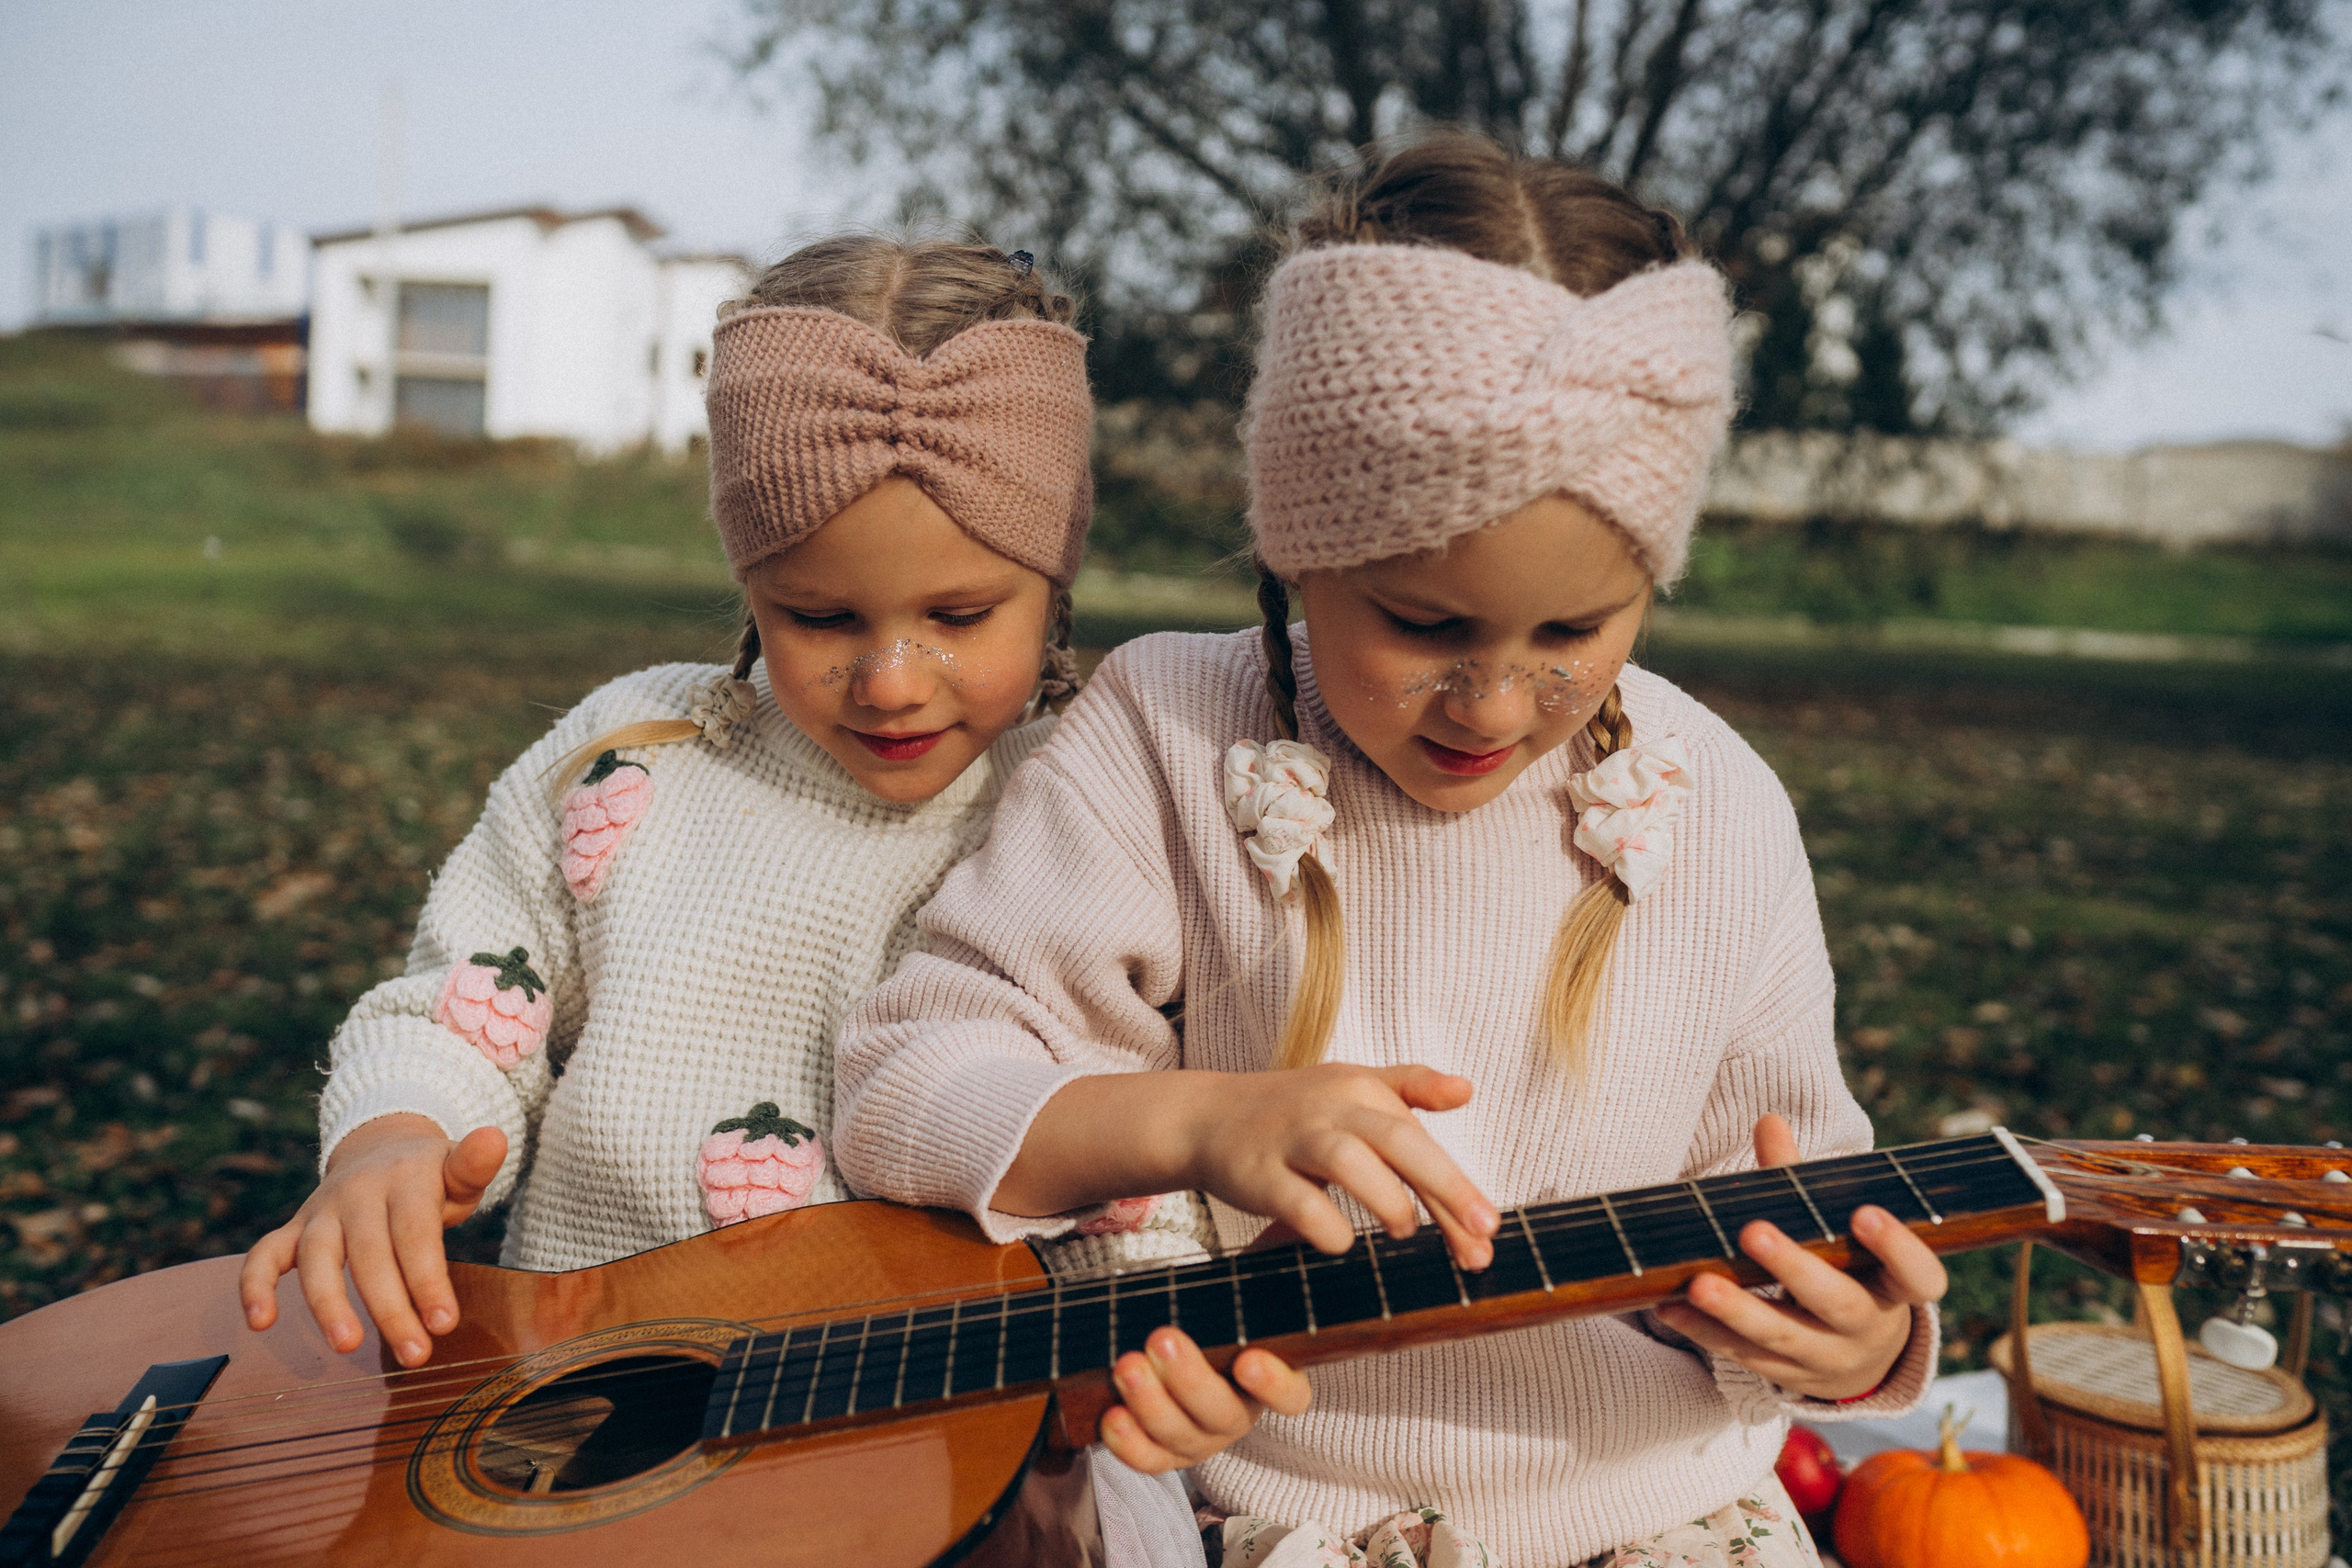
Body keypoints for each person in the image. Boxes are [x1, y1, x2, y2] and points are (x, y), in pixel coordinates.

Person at [833, 134, 1949, 1568]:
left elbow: (1806, 1204)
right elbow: (908, 1086)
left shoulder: (1716, 801)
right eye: (1423, 625)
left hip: (1663, 1511)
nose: (1495, 704)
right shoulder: (1170, 731)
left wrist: (1853, 1341)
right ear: (1298, 547)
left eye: (1574, 634)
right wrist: (1201, 1125)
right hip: (1282, 1513)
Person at [236, 233, 1163, 1355]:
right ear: (749, 581)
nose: (891, 684)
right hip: (587, 1402)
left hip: (931, 1442)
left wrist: (1131, 1359)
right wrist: (396, 1135)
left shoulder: (1097, 797)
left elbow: (1135, 1168)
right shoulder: (636, 758)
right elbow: (471, 1011)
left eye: (960, 619)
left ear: (1054, 578)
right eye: (818, 617)